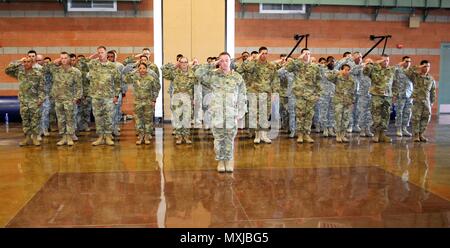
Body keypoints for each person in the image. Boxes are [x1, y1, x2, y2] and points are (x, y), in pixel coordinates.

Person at [195, 52, 247, 172]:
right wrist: (213, 64)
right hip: (217, 113)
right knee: (218, 138)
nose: (224, 63)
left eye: (226, 60)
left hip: (231, 113)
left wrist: (240, 113)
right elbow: (198, 74)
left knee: (229, 138)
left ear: (230, 62)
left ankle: (228, 160)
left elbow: (242, 95)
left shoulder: (237, 77)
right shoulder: (213, 76)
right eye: (221, 60)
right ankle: (220, 161)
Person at [237, 46, 280, 144]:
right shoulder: (253, 65)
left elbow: (275, 80)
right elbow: (242, 69)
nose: (264, 55)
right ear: (259, 54)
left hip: (267, 93)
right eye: (262, 53)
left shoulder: (271, 66)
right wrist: (253, 59)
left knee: (265, 114)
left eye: (266, 53)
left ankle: (264, 135)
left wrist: (274, 93)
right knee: (255, 115)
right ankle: (257, 135)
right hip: (255, 93)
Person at [82, 46, 121, 146]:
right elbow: (82, 62)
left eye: (102, 52)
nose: (100, 54)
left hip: (108, 96)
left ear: (106, 53)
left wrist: (116, 95)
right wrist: (93, 56)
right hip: (96, 96)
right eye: (98, 52)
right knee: (98, 117)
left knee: (108, 116)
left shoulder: (112, 66)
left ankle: (108, 136)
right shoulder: (94, 65)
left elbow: (117, 82)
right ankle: (100, 137)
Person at [43, 52, 83, 146]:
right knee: (61, 119)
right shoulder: (56, 70)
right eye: (61, 58)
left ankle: (69, 137)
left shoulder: (75, 72)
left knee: (70, 119)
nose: (63, 60)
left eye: (65, 58)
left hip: (70, 99)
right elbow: (44, 70)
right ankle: (63, 137)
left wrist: (77, 98)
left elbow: (79, 86)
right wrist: (53, 62)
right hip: (58, 99)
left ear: (69, 59)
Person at [5, 56, 44, 146]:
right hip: (23, 101)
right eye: (25, 62)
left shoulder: (38, 73)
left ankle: (35, 138)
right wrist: (19, 61)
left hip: (34, 101)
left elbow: (42, 88)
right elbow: (7, 70)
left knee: (35, 120)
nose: (26, 63)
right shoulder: (20, 72)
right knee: (25, 120)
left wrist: (40, 99)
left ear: (32, 63)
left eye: (28, 62)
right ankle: (27, 138)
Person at [285, 48, 322, 143]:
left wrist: (318, 93)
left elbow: (318, 81)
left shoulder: (315, 67)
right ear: (301, 55)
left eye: (309, 54)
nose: (307, 55)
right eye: (305, 54)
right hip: (299, 94)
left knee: (309, 115)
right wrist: (298, 58)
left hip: (311, 95)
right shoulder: (297, 65)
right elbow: (288, 68)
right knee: (300, 115)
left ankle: (307, 134)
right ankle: (300, 134)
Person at [162, 56, 197, 144]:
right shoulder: (175, 73)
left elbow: (196, 87)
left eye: (186, 62)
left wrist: (195, 98)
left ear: (188, 63)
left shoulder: (192, 73)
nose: (184, 64)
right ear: (179, 63)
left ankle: (186, 136)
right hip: (177, 98)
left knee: (187, 118)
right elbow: (164, 72)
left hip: (187, 98)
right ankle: (179, 136)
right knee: (177, 117)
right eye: (182, 62)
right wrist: (175, 66)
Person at [123, 63, 161, 145]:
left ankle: (147, 136)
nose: (142, 70)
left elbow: (156, 88)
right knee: (138, 120)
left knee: (148, 120)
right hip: (138, 101)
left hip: (148, 101)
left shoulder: (151, 78)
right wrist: (134, 71)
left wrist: (154, 100)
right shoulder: (135, 77)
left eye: (144, 68)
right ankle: (140, 136)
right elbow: (126, 79)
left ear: (147, 69)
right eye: (140, 68)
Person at [363, 54, 396, 143]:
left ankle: (382, 134)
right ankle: (376, 134)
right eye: (384, 60)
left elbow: (394, 83)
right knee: (376, 114)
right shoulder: (373, 69)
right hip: (377, 95)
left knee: (386, 115)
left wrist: (394, 94)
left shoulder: (391, 70)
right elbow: (365, 72)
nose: (386, 62)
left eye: (387, 60)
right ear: (380, 61)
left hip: (388, 96)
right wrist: (373, 63)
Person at [405, 60, 436, 142]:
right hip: (417, 101)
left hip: (426, 102)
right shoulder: (415, 76)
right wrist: (418, 67)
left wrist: (432, 101)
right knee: (416, 118)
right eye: (425, 66)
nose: (427, 68)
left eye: (428, 66)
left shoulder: (431, 79)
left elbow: (432, 91)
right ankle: (416, 135)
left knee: (426, 118)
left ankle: (421, 134)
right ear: (421, 66)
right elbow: (408, 71)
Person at [324, 64, 356, 143]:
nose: (346, 71)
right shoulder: (337, 77)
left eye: (348, 70)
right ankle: (338, 135)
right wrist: (337, 73)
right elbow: (328, 77)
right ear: (341, 70)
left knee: (346, 118)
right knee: (338, 118)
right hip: (338, 100)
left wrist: (352, 102)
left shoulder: (352, 80)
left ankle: (343, 135)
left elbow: (353, 92)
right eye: (345, 69)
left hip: (348, 101)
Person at [393, 56, 414, 137]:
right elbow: (392, 72)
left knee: (407, 112)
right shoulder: (398, 70)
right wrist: (399, 65)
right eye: (406, 61)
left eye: (409, 61)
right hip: (400, 95)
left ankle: (404, 128)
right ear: (402, 62)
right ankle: (399, 129)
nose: (408, 63)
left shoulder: (411, 71)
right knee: (399, 112)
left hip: (409, 95)